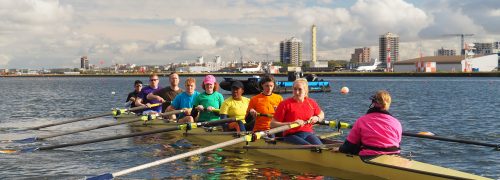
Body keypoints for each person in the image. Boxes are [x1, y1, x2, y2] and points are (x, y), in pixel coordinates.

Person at [338, 90, 402, 156]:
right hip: (394, 156)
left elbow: (348, 147)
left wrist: (339, 149)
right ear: (388, 104)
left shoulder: (361, 120)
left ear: (373, 103)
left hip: (369, 157)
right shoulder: (397, 123)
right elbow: (398, 143)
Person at [271, 78, 324, 145]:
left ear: (305, 90)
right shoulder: (285, 104)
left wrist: (317, 117)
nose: (297, 92)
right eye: (295, 89)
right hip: (291, 135)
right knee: (309, 148)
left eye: (300, 89)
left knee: (321, 147)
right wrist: (292, 123)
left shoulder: (311, 102)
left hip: (308, 133)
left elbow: (321, 114)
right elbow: (272, 124)